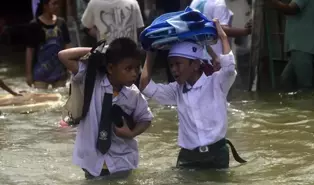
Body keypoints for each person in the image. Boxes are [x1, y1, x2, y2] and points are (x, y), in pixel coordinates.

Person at [139, 20, 245, 169]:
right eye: (171, 65)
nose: (174, 70)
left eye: (178, 64)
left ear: (195, 65)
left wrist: (223, 37)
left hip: (217, 154)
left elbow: (229, 68)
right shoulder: (176, 90)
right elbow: (145, 86)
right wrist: (150, 52)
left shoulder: (216, 82)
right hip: (188, 156)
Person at [58, 37, 153, 179]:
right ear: (110, 68)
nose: (134, 73)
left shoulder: (134, 94)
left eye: (137, 68)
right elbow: (64, 56)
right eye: (128, 68)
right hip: (92, 163)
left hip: (122, 161)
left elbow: (145, 119)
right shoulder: (92, 79)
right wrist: (101, 53)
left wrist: (131, 133)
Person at [270, 0, 314, 90]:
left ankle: (306, 102)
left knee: (304, 85)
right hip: (304, 43)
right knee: (286, 80)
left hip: (302, 43)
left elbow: (292, 9)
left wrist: (270, 2)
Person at [190, 0, 252, 75]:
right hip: (214, 60)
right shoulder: (219, 3)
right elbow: (222, 29)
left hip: (195, 56)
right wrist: (246, 32)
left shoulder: (196, 2)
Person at [26, 0, 71, 89]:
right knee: (41, 98)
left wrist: (70, 68)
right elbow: (30, 50)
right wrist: (28, 74)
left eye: (58, 4)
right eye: (54, 4)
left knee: (61, 98)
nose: (57, 6)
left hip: (59, 71)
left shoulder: (61, 23)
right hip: (40, 72)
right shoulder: (34, 25)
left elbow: (67, 46)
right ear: (45, 6)